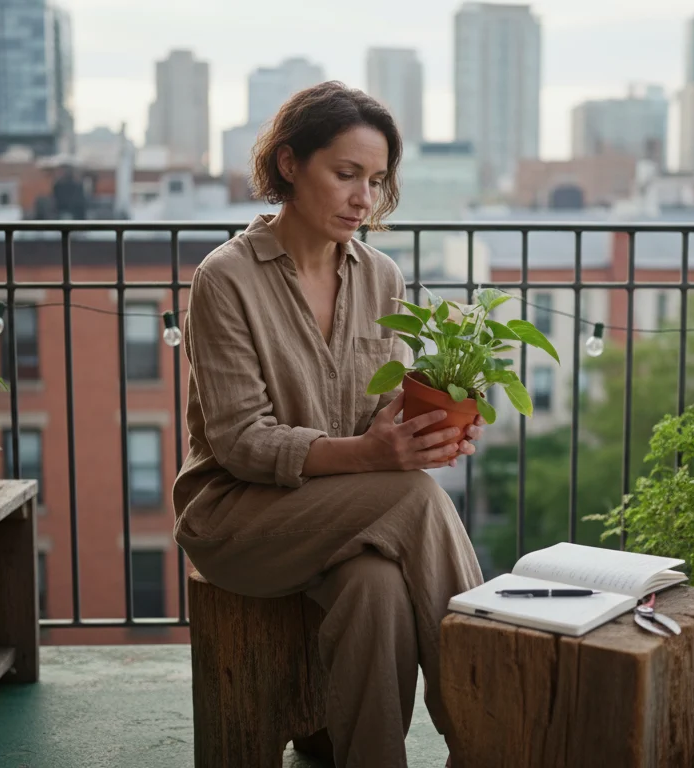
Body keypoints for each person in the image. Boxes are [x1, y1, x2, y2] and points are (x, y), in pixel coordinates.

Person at [172, 81, 485, 768]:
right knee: (414, 496)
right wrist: (373, 455)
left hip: (346, 513)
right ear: (289, 163)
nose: (363, 199)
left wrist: (435, 425)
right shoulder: (224, 279)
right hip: (240, 518)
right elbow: (241, 442)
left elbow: (382, 414)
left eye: (374, 180)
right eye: (345, 174)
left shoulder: (383, 279)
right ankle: (486, 732)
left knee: (374, 587)